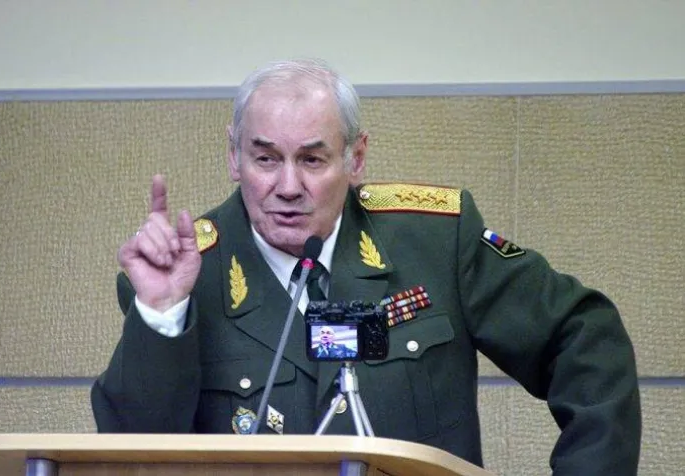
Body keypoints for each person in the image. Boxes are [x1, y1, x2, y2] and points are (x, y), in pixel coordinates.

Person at [92, 59, 641, 473]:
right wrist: (161, 313)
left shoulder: (434, 241)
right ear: (234, 156)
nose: (288, 186)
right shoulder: (188, 272)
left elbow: (584, 337)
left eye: (312, 159)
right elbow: (130, 452)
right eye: (265, 159)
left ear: (355, 159)